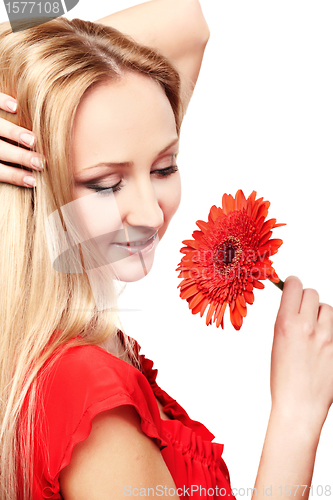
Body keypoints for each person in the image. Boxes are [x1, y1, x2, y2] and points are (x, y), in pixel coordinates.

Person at [0, 2, 333, 500]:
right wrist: (297, 416)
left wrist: (21, 64)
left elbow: (187, 23)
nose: (152, 215)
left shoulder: (72, 353)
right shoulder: (87, 396)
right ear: (30, 185)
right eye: (106, 184)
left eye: (163, 168)